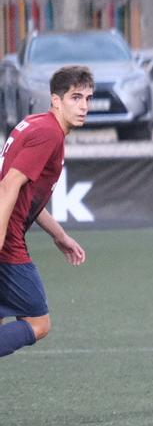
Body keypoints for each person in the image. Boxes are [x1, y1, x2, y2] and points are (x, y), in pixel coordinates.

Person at [0, 66, 88, 360]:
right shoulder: (50, 135)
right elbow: (9, 185)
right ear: (56, 100)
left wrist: (59, 235)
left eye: (87, 98)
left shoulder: (35, 124)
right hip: (7, 242)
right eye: (75, 97)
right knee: (38, 323)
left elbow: (25, 195)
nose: (84, 106)